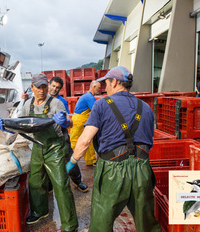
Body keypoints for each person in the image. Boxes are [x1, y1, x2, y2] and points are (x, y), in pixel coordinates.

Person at [66, 66, 161, 232]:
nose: (105, 88)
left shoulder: (101, 105)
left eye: (107, 83)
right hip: (142, 170)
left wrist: (73, 161)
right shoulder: (146, 107)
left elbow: (85, 140)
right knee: (146, 221)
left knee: (101, 222)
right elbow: (149, 138)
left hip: (113, 171)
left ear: (115, 82)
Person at [0, 73, 78, 232]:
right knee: (35, 182)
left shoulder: (55, 103)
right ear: (32, 87)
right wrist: (7, 127)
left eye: (44, 87)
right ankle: (39, 211)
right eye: (38, 87)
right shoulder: (27, 104)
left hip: (55, 148)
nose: (42, 90)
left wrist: (65, 121)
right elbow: (21, 124)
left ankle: (70, 224)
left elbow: (70, 122)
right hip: (37, 147)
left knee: (61, 185)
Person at [48, 76, 89, 193]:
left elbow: (68, 121)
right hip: (46, 136)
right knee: (47, 161)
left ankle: (77, 181)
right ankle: (49, 185)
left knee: (69, 157)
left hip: (61, 134)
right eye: (53, 86)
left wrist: (65, 121)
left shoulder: (62, 101)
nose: (55, 89)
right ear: (49, 85)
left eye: (57, 88)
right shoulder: (41, 99)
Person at [70, 80, 100, 166]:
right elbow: (96, 111)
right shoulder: (89, 97)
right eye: (98, 87)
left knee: (88, 141)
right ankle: (70, 158)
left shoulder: (87, 96)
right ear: (94, 87)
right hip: (79, 121)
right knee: (74, 141)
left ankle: (91, 161)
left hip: (83, 121)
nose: (100, 89)